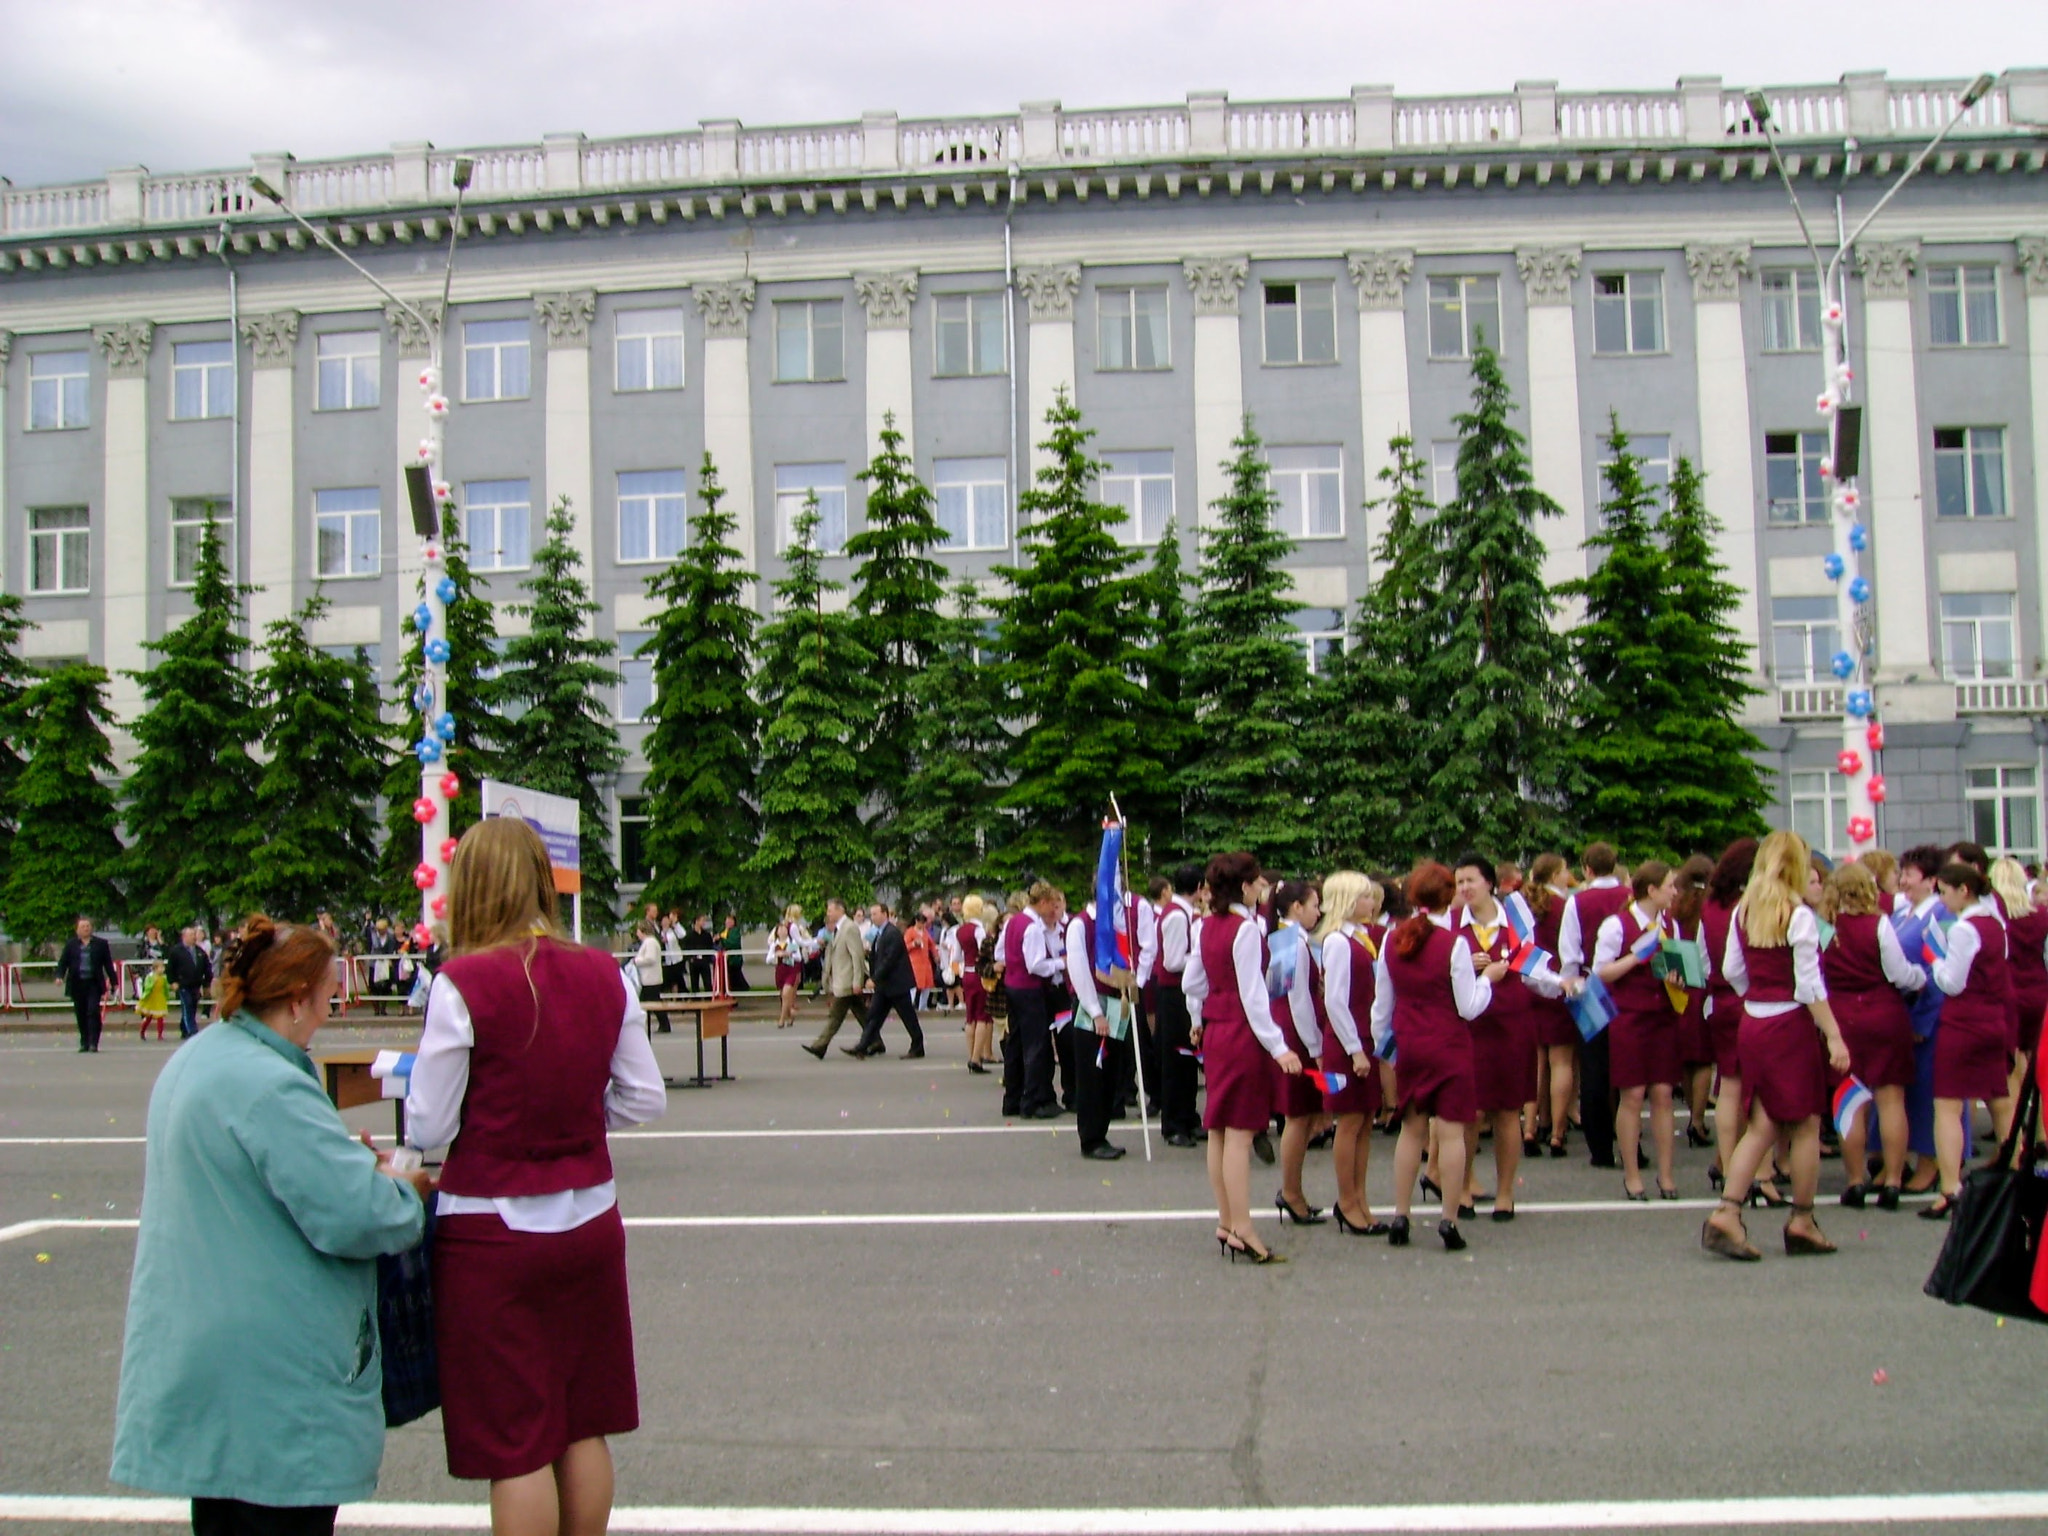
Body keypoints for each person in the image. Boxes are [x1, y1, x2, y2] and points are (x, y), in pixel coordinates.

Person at [111, 915, 432, 1536]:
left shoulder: (202, 1058)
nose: (332, 1006)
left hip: (208, 1354)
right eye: (327, 993)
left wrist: (347, 1164)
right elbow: (356, 1214)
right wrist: (403, 1190)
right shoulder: (271, 1084)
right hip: (270, 1376)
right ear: (294, 1000)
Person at [402, 817, 665, 1536]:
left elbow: (427, 1127)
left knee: (516, 1441)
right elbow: (645, 1097)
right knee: (584, 1421)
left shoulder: (463, 981)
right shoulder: (605, 973)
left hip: (491, 1232)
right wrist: (574, 1112)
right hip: (589, 1220)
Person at [1703, 830, 1853, 1261]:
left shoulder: (1745, 910)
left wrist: (1759, 992)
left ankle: (1728, 1211)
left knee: (1764, 1122)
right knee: (1805, 1123)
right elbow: (1809, 985)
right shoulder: (1799, 915)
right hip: (1788, 1024)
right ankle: (1802, 1219)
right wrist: (1834, 1034)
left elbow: (1732, 968)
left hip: (1754, 1019)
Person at [1373, 863, 1502, 1252]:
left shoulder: (1392, 939)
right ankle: (1448, 1218)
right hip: (1448, 1044)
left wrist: (1386, 1047)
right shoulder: (1453, 943)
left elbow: (1382, 1004)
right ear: (1450, 897)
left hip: (1410, 1043)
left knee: (1411, 1130)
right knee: (1451, 1134)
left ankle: (1400, 1213)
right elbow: (1468, 1006)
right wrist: (1488, 980)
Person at [1185, 852, 1303, 1264]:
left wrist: (1200, 1014)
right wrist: (1279, 1046)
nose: (1262, 887)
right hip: (1241, 1034)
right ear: (1245, 887)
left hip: (1218, 1031)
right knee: (1238, 1133)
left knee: (1219, 1130)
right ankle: (1243, 1226)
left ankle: (1227, 1220)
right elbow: (1254, 997)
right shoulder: (1246, 929)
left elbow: (1191, 980)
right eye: (1256, 881)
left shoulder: (1206, 926)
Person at [1453, 854, 1563, 1220]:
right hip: (1471, 1026)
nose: (1464, 888)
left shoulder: (1516, 921)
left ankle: (1504, 1193)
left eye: (1470, 880)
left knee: (1507, 1113)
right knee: (1469, 1113)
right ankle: (1463, 1186)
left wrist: (1563, 985)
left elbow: (1535, 972)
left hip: (1512, 1026)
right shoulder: (1453, 923)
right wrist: (1467, 966)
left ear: (1488, 882)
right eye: (1459, 883)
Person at [1817, 860, 1923, 1209]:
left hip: (1842, 1018)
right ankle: (1892, 1180)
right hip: (1883, 1012)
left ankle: (1855, 1180)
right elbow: (1897, 972)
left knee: (1850, 1102)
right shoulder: (1879, 923)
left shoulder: (1824, 927)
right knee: (1891, 1100)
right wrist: (1919, 978)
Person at [1923, 860, 2019, 1220]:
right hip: (1992, 1019)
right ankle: (2012, 1173)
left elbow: (1953, 982)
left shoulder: (1964, 929)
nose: (1943, 899)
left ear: (1963, 891)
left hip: (1963, 1022)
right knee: (1999, 1100)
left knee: (1947, 1105)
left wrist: (1934, 959)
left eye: (1945, 892)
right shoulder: (1995, 923)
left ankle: (1950, 1186)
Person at [1592, 860, 1682, 1202]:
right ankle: (1631, 1174)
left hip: (1662, 1015)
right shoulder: (1617, 925)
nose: (1675, 892)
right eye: (1670, 886)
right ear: (1652, 890)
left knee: (1662, 1093)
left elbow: (1677, 964)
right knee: (1631, 1095)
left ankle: (1667, 1174)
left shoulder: (1669, 924)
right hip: (1630, 1017)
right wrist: (1636, 956)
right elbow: (1602, 973)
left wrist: (1676, 975)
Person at [1317, 870, 1390, 1235]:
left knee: (1364, 1122)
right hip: (1349, 1040)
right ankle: (1347, 1201)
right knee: (1348, 1123)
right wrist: (1355, 1050)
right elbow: (1335, 1000)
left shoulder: (1361, 938)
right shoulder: (1337, 942)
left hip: (1364, 1035)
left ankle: (1360, 1197)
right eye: (1363, 897)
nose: (1371, 903)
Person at [1558, 842, 1630, 1169]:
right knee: (1629, 1071)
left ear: (1586, 869)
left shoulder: (1577, 902)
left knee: (1594, 1071)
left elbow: (1570, 952)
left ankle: (1600, 1147)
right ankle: (1630, 1141)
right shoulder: (1629, 898)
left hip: (1591, 988)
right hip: (1628, 988)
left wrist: (1570, 987)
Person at [1702, 839, 1765, 1196]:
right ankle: (1756, 1171)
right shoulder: (1752, 906)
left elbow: (1704, 957)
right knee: (1757, 1092)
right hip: (1751, 998)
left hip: (1721, 998)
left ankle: (1727, 1163)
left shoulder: (1711, 905)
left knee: (1728, 1086)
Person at [1266, 879, 1327, 1223]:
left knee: (1301, 1116)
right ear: (1296, 908)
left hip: (1289, 1029)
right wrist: (1315, 1045)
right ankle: (1290, 1191)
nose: (1318, 911)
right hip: (1297, 1034)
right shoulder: (1293, 942)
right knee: (1298, 1116)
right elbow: (1296, 1000)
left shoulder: (1284, 938)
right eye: (1314, 904)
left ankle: (1294, 1190)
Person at [1893, 845, 1953, 1194]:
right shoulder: (1907, 914)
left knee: (1932, 1095)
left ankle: (1932, 1164)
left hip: (1930, 1019)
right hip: (1907, 1014)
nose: (1903, 881)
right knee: (1914, 1095)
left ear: (1931, 881)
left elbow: (1938, 975)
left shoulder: (1939, 917)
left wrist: (1922, 1022)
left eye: (1910, 875)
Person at [1064, 893, 1130, 1161]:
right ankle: (1091, 1138)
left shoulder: (1115, 925)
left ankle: (1101, 1131)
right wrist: (1095, 1012)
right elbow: (1078, 969)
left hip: (1115, 1004)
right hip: (1094, 1006)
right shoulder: (1080, 925)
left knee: (1111, 1073)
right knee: (1092, 1075)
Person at [1524, 853, 1578, 1158]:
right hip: (1558, 983)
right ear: (1556, 874)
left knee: (1537, 1062)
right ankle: (1557, 1131)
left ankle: (1531, 1125)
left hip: (1531, 984)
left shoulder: (1526, 905)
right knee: (1561, 1063)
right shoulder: (1564, 906)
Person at [1000, 884, 1066, 1118]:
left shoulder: (1013, 922)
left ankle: (1012, 1099)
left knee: (1016, 1044)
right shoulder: (1033, 928)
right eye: (1051, 903)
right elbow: (1036, 965)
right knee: (1036, 1046)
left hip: (1013, 986)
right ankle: (1032, 1101)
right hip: (1029, 989)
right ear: (1044, 901)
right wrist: (1061, 962)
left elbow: (1002, 954)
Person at [1668, 856, 1717, 1155]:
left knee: (1686, 1056)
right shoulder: (1712, 908)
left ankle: (1690, 1109)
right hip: (1702, 983)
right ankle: (1697, 1120)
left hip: (1677, 984)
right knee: (1703, 1059)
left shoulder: (1675, 907)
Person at [1153, 865, 1203, 1147]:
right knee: (1175, 1058)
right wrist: (1200, 955)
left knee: (1188, 1057)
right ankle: (1173, 1123)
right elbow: (1172, 960)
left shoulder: (1184, 913)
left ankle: (1188, 1116)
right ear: (1197, 887)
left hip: (1183, 990)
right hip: (1173, 991)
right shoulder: (1175, 915)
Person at [1990, 856, 2047, 1099]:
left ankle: (2015, 1127)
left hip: (2008, 991)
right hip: (2038, 988)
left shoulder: (1996, 918)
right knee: (2038, 1059)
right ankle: (2041, 1127)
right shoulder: (2042, 914)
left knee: (2011, 1063)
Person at [849, 902, 925, 1059]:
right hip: (885, 985)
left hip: (896, 984)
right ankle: (863, 1046)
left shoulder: (892, 933)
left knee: (908, 1017)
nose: (872, 917)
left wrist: (874, 978)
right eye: (871, 914)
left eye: (875, 913)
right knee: (874, 1016)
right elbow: (877, 958)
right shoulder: (880, 934)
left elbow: (889, 960)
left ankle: (918, 1046)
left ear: (885, 914)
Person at [803, 899, 870, 1058]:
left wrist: (857, 981)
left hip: (847, 980)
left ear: (840, 910)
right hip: (841, 979)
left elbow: (857, 956)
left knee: (835, 1015)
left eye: (830, 910)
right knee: (861, 1013)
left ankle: (820, 1045)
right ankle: (874, 1040)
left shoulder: (849, 928)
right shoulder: (838, 929)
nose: (828, 913)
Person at [59, 916, 115, 1054]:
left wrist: (114, 982)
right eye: (83, 927)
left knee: (92, 1011)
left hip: (93, 983)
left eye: (88, 926)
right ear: (77, 930)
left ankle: (93, 1042)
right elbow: (63, 962)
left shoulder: (101, 944)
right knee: (81, 1013)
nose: (86, 929)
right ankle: (84, 1041)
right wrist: (59, 976)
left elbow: (107, 964)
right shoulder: (71, 944)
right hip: (77, 983)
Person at [957, 894, 996, 1073]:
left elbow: (956, 957)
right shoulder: (978, 930)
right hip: (980, 974)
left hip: (967, 973)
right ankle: (976, 1058)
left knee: (970, 1016)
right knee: (982, 1016)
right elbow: (985, 951)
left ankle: (972, 1054)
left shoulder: (960, 930)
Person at [166, 926, 214, 1039]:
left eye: (194, 934)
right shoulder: (176, 951)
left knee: (192, 1007)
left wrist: (207, 983)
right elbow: (170, 968)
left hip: (195, 985)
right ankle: (193, 1032)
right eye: (192, 935)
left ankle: (184, 1029)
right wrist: (172, 981)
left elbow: (207, 967)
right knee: (187, 1005)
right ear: (184, 937)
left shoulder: (199, 951)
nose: (194, 937)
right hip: (183, 985)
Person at [767, 907, 807, 1029]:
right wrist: (776, 955)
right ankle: (790, 1014)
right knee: (783, 995)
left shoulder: (792, 944)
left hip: (791, 970)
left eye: (785, 930)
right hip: (780, 971)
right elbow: (768, 959)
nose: (783, 931)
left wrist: (790, 954)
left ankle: (781, 1019)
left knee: (786, 994)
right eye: (780, 930)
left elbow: (798, 958)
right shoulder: (775, 945)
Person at [136, 924, 171, 1042]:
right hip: (150, 992)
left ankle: (160, 1034)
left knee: (160, 1017)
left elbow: (167, 954)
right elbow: (139, 956)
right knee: (149, 1017)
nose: (153, 932)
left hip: (159, 998)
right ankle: (142, 1031)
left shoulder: (163, 977)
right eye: (151, 931)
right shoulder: (143, 944)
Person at [630, 923, 665, 1031]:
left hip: (650, 978)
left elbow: (650, 959)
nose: (637, 933)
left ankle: (663, 1024)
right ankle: (663, 1024)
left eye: (638, 931)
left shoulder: (650, 942)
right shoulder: (649, 942)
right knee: (651, 1002)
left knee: (651, 1002)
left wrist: (636, 961)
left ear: (643, 931)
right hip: (649, 978)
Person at [905, 911, 937, 1012]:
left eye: (924, 923)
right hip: (915, 963)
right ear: (916, 921)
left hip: (925, 962)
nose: (923, 925)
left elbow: (931, 944)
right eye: (921, 923)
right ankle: (909, 1005)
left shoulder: (925, 932)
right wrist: (914, 944)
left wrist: (936, 955)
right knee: (913, 985)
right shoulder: (910, 932)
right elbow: (905, 946)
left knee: (927, 985)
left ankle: (923, 1006)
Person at [683, 914, 716, 994]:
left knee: (707, 981)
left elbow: (710, 946)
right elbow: (685, 947)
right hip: (694, 961)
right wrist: (690, 958)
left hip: (704, 961)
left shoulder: (706, 935)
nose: (704, 922)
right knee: (694, 982)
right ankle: (695, 999)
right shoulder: (689, 935)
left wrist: (708, 958)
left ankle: (709, 998)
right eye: (702, 920)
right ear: (697, 921)